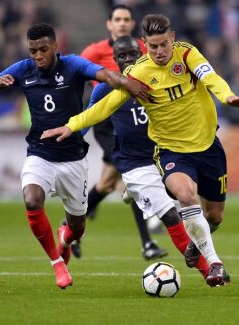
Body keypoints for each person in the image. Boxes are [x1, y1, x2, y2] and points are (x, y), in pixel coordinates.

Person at [41, 14, 239, 287]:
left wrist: (227, 96)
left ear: (172, 38)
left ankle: (197, 245)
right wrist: (72, 125)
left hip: (208, 147)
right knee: (186, 196)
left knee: (214, 216)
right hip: (170, 151)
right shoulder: (137, 74)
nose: (159, 52)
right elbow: (105, 106)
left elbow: (210, 78)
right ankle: (214, 264)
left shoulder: (187, 55)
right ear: (145, 45)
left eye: (163, 44)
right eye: (153, 47)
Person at [0, 23, 148, 289]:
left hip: (74, 159)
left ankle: (65, 239)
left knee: (77, 227)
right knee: (32, 201)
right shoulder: (23, 69)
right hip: (39, 154)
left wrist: (127, 82)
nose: (38, 56)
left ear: (56, 46)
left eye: (43, 49)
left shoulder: (73, 65)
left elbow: (105, 75)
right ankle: (57, 264)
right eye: (33, 51)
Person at [88, 35, 210, 278]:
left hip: (163, 155)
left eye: (131, 54)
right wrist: (113, 154)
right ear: (115, 60)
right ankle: (208, 271)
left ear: (140, 52)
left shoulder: (157, 78)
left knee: (194, 205)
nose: (127, 59)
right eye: (121, 56)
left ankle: (130, 195)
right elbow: (93, 121)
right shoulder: (106, 88)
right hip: (135, 164)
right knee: (170, 214)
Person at [76, 4, 166, 260]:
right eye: (118, 19)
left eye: (127, 19)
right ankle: (148, 242)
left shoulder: (142, 47)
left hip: (137, 115)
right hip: (108, 121)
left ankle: (70, 225)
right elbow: (77, 75)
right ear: (109, 24)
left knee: (105, 184)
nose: (122, 23)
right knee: (135, 172)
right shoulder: (94, 51)